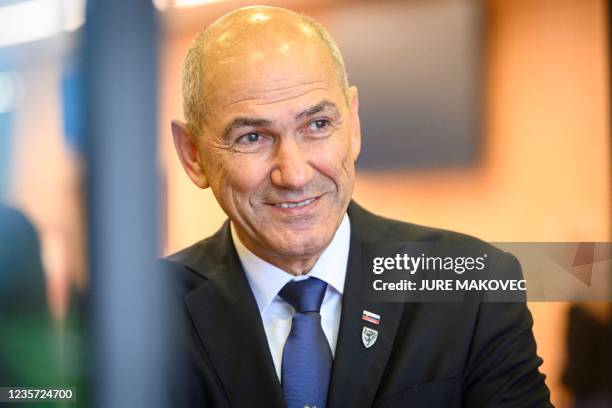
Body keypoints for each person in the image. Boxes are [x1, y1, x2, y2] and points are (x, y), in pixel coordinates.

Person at [164, 6, 552, 407]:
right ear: (193, 155)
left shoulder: (473, 288)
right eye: (252, 137)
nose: (294, 174)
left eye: (317, 125)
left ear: (353, 124)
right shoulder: (140, 315)